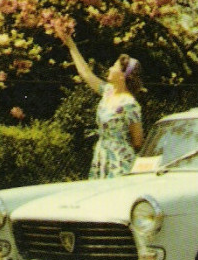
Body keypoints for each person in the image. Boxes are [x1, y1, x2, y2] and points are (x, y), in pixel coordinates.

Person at [60, 33, 144, 179]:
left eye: (114, 66)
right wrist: (71, 45)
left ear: (122, 75)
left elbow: (137, 141)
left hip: (120, 162)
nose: (110, 68)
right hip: (102, 157)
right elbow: (85, 73)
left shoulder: (129, 104)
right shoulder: (107, 92)